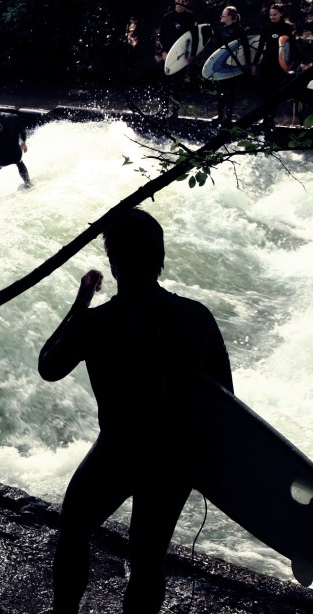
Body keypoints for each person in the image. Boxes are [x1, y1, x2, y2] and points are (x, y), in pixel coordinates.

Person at [38, 207, 233, 613]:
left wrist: (81, 301)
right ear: (160, 259)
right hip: (174, 457)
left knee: (74, 529)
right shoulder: (197, 318)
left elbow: (49, 366)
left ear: (113, 263)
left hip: (118, 450)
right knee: (148, 558)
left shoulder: (96, 323)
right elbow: (224, 400)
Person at [197, 5, 251, 127]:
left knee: (230, 91)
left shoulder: (239, 30)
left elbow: (246, 48)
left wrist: (247, 64)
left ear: (230, 17)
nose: (221, 16)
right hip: (220, 65)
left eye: (223, 14)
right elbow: (212, 46)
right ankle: (220, 114)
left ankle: (228, 116)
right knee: (221, 91)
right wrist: (203, 60)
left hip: (232, 65)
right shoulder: (220, 29)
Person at [251, 3, 294, 134]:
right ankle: (264, 118)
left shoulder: (288, 28)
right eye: (270, 15)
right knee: (264, 92)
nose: (272, 17)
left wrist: (291, 64)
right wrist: (254, 64)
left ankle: (271, 119)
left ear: (281, 14)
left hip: (279, 65)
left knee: (275, 93)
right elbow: (260, 48)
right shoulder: (266, 28)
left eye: (274, 14)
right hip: (266, 64)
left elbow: (292, 47)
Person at [158, 0, 197, 119]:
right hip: (168, 56)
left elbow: (195, 38)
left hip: (182, 57)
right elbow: (161, 36)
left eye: (183, 1)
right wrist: (163, 51)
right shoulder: (168, 17)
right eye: (178, 1)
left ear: (187, 3)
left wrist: (192, 54)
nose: (180, 4)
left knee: (178, 86)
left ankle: (174, 112)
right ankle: (163, 109)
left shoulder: (190, 17)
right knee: (165, 84)